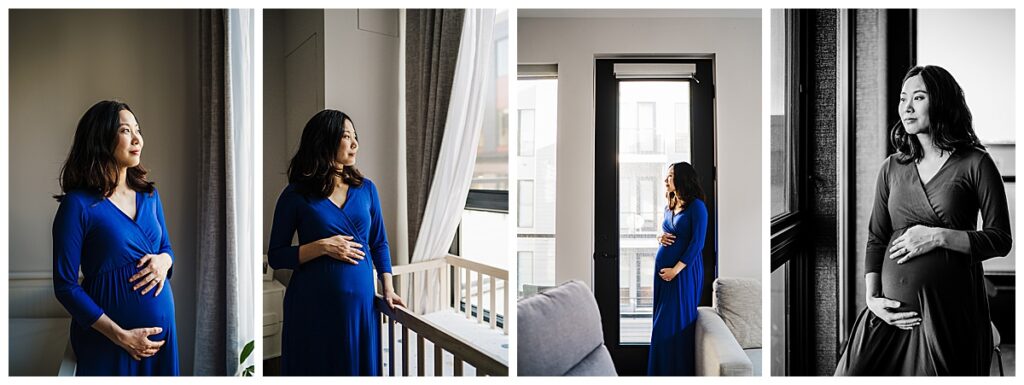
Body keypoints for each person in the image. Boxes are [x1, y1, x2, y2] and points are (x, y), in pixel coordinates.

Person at [835, 65, 1012, 375]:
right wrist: (872, 298)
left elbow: (1000, 238)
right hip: (888, 315)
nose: (907, 107)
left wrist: (936, 236)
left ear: (942, 102)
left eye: (918, 98)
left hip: (947, 316)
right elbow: (877, 237)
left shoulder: (975, 162)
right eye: (903, 98)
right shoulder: (892, 167)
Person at [268, 109, 405, 375]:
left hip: (359, 306)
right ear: (324, 140)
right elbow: (276, 255)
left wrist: (387, 286)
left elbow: (379, 243)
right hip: (311, 305)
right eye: (346, 136)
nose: (355, 144)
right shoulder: (295, 195)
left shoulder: (367, 189)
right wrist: (322, 246)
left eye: (356, 136)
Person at [52, 100, 179, 375]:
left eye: (137, 129)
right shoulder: (77, 205)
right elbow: (65, 286)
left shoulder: (149, 196)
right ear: (101, 138)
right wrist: (122, 336)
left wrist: (164, 261)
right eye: (125, 130)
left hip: (161, 341)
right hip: (109, 343)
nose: (137, 139)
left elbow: (167, 248)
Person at [647, 161, 708, 376]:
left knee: (670, 328)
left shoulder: (697, 207)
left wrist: (675, 270)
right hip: (663, 276)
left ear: (683, 178)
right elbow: (664, 232)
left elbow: (697, 244)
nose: (666, 180)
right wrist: (659, 237)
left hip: (683, 274)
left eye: (671, 175)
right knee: (660, 326)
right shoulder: (670, 206)